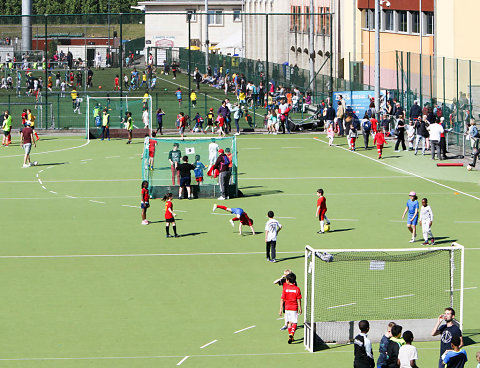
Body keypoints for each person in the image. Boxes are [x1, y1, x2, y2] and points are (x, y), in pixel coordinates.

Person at [279, 272, 302, 344]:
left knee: (289, 322)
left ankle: (291, 337)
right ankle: (292, 333)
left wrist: (280, 309)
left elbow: (282, 299)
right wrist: (300, 308)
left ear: (288, 280)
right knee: (294, 322)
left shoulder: (285, 288)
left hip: (287, 308)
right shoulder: (297, 289)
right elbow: (298, 299)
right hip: (294, 308)